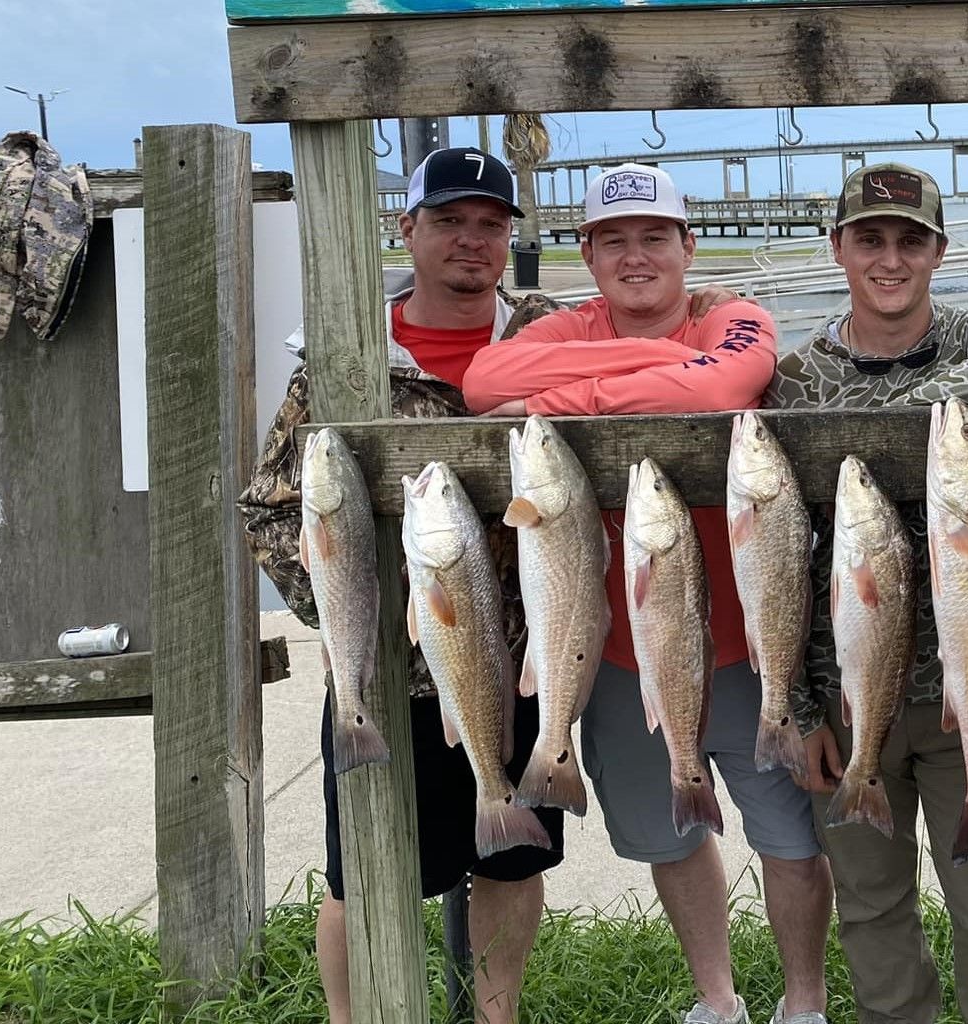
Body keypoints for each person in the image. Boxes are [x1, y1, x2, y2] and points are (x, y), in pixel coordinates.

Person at [462, 162, 833, 1024]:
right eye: (614, 240)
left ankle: (805, 1004)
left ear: (687, 245)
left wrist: (564, 394)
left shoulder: (732, 316)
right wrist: (653, 367)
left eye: (655, 238)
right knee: (674, 828)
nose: (636, 258)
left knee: (788, 833)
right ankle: (719, 1000)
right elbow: (483, 384)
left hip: (749, 641)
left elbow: (719, 384)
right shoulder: (557, 323)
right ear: (586, 253)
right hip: (616, 647)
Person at [240, 147, 567, 1024]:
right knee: (364, 871)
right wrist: (350, 614)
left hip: (523, 662)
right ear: (406, 227)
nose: (472, 241)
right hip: (385, 674)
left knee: (511, 860)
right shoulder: (347, 354)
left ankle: (495, 1017)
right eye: (450, 220)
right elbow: (270, 509)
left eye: (490, 224)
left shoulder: (549, 333)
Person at [767, 162, 968, 1024]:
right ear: (838, 247)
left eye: (910, 240)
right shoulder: (795, 378)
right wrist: (805, 709)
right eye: (871, 239)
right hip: (848, 700)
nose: (891, 259)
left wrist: (868, 436)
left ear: (939, 250)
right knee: (872, 910)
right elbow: (786, 565)